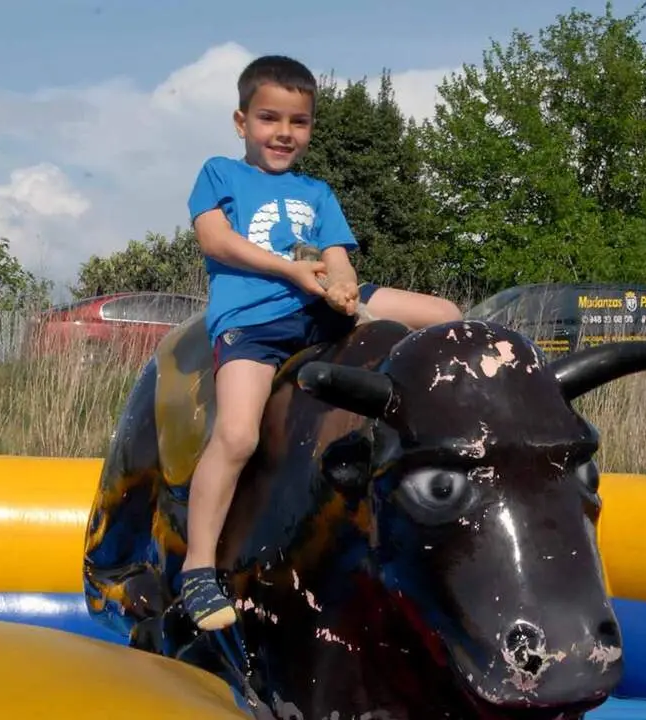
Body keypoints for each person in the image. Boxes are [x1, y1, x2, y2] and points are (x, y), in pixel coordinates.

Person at [180, 54, 462, 632]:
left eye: (298, 122)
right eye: (268, 118)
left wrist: (343, 285)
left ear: (310, 126)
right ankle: (198, 567)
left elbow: (335, 255)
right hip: (254, 321)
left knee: (444, 314)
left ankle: (436, 446)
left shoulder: (318, 192)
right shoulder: (220, 174)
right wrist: (290, 271)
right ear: (241, 123)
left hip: (318, 307)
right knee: (237, 435)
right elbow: (215, 240)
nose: (283, 132)